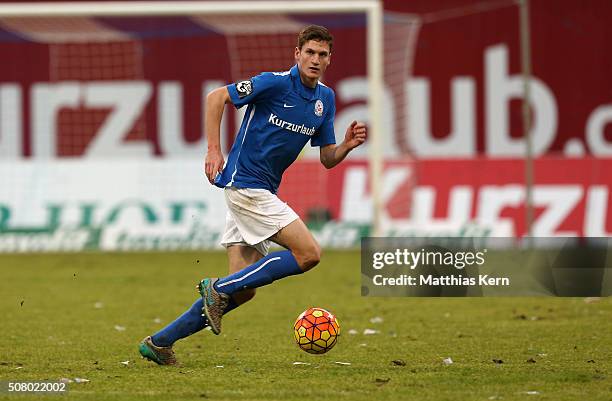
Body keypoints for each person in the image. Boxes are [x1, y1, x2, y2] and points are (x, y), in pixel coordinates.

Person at [139, 25, 366, 365]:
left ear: (329, 59)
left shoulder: (325, 100)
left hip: (258, 191)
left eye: (322, 54)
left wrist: (346, 146)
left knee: (243, 290)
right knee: (308, 254)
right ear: (297, 54)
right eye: (310, 52)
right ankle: (216, 288)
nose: (315, 59)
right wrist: (213, 151)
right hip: (246, 186)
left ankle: (159, 342)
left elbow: (326, 157)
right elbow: (216, 97)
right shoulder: (274, 83)